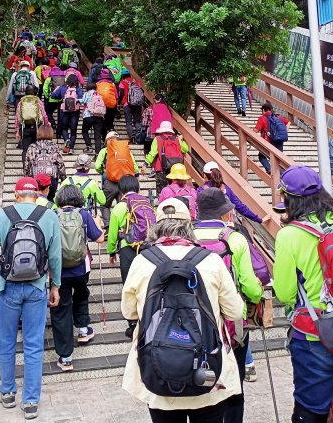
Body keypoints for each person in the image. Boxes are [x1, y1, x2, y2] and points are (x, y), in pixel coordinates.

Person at [121, 198, 244, 423]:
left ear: (156, 227)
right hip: (207, 369)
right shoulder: (212, 261)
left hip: (158, 369)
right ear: (190, 226)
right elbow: (235, 313)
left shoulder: (141, 262)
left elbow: (129, 312)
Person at [273, 165, 333, 423]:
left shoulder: (289, 235)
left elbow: (285, 292)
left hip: (316, 334)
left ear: (289, 199)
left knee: (311, 409)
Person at [0, 177, 61, 420]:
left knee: (6, 341)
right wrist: (55, 285)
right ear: (37, 195)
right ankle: (31, 402)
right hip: (37, 287)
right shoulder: (49, 216)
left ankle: (7, 393)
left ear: (16, 195)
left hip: (8, 287)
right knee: (34, 344)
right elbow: (55, 257)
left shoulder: (4, 215)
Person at [194, 188, 263, 423]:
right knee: (235, 383)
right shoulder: (234, 239)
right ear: (224, 214)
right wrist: (257, 296)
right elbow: (250, 285)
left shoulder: (187, 238)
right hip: (232, 326)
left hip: (195, 325)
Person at [51, 185, 104, 372]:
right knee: (81, 295)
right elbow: (99, 239)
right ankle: (83, 331)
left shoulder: (52, 215)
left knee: (61, 310)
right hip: (81, 268)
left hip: (58, 272)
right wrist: (97, 223)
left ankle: (65, 358)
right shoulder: (84, 214)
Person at [107, 175, 154, 337]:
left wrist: (111, 251)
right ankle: (148, 319)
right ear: (138, 187)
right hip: (147, 248)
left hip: (128, 249)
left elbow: (113, 233)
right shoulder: (146, 203)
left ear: (120, 189)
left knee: (129, 284)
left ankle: (133, 324)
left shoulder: (120, 207)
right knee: (147, 283)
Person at [198, 161, 269, 225]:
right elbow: (240, 207)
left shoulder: (200, 191)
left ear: (204, 175)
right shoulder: (226, 189)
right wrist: (259, 219)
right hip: (226, 226)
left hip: (206, 225)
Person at [95, 131, 139, 228]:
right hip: (124, 184)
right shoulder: (126, 151)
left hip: (109, 183)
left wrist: (104, 172)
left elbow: (97, 166)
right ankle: (123, 227)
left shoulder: (104, 151)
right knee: (123, 205)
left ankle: (108, 226)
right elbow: (135, 168)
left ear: (108, 140)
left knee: (105, 205)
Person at [141, 120, 189, 196]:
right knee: (175, 192)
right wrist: (181, 140)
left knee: (162, 193)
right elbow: (186, 149)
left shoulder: (157, 139)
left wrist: (145, 164)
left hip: (161, 169)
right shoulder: (177, 139)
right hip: (175, 170)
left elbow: (152, 153)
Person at [24, 124, 66, 200]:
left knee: (36, 199)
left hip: (36, 178)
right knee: (50, 199)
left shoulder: (32, 146)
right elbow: (60, 163)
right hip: (51, 179)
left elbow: (27, 165)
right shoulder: (54, 146)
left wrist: (27, 179)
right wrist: (64, 179)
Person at [15, 86, 49, 166]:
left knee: (25, 150)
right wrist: (46, 126)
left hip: (25, 128)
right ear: (35, 93)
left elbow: (17, 117)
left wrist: (17, 131)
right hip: (37, 128)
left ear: (25, 93)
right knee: (38, 149)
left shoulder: (21, 102)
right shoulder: (38, 102)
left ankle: (25, 168)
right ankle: (36, 167)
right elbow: (44, 115)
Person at [254, 101, 290, 175]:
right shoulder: (278, 117)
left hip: (268, 141)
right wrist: (285, 131)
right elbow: (288, 122)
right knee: (278, 160)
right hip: (279, 141)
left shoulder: (262, 118)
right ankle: (283, 176)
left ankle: (269, 169)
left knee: (261, 156)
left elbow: (256, 130)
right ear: (271, 110)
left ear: (263, 110)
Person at [50, 74, 83, 153]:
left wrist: (55, 90)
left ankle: (66, 140)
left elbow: (53, 96)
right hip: (75, 112)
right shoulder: (78, 89)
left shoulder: (63, 88)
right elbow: (81, 98)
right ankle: (71, 149)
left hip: (64, 111)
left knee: (64, 128)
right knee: (73, 131)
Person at [119, 69, 143, 143]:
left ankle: (132, 137)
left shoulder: (122, 82)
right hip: (137, 104)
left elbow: (122, 94)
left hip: (127, 104)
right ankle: (139, 137)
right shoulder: (137, 82)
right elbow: (142, 91)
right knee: (137, 121)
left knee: (128, 122)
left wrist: (119, 103)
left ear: (122, 76)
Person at [80, 82, 104, 156]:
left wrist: (77, 100)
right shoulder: (99, 95)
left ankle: (89, 146)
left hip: (88, 115)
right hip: (99, 116)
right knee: (97, 136)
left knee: (84, 131)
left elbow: (83, 101)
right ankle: (98, 153)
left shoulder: (87, 94)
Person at [96, 68, 118, 140]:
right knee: (110, 122)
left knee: (102, 123)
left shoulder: (98, 84)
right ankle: (112, 136)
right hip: (112, 105)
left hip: (101, 106)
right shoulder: (112, 84)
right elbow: (116, 96)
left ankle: (103, 139)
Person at [42, 64, 66, 131]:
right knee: (60, 116)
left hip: (52, 99)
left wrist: (47, 96)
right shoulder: (64, 78)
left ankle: (53, 123)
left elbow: (45, 89)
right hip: (61, 100)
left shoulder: (49, 78)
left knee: (48, 112)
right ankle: (59, 131)